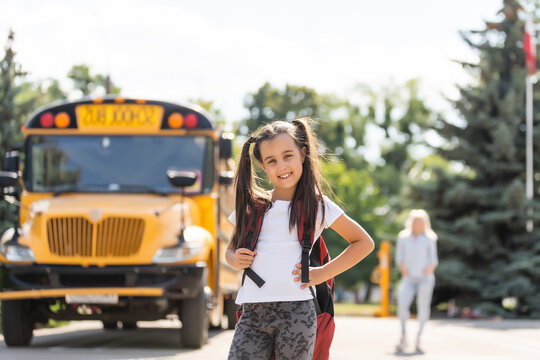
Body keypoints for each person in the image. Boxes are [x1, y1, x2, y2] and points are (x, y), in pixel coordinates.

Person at [225, 118, 375, 360]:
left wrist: (322, 273)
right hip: (252, 313)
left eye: (288, 156)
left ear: (303, 154)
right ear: (262, 166)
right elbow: (230, 249)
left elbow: (363, 243)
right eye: (271, 161)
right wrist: (234, 258)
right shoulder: (253, 207)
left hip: (297, 312)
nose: (281, 166)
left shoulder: (317, 206)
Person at [395, 209, 438, 354]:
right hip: (408, 278)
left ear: (425, 223)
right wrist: (404, 269)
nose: (418, 224)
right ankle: (403, 336)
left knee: (423, 307)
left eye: (421, 221)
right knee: (402, 305)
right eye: (415, 221)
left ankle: (419, 338)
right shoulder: (403, 237)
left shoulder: (430, 238)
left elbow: (433, 259)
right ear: (411, 222)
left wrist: (428, 269)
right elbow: (399, 258)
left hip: (425, 279)